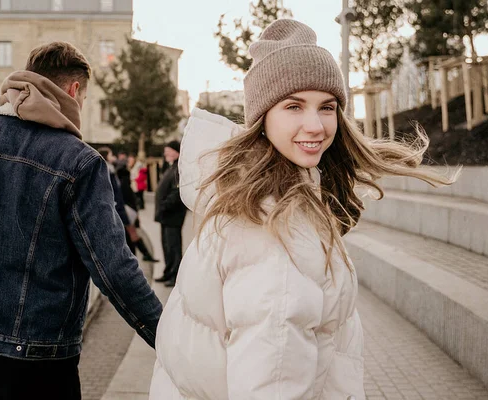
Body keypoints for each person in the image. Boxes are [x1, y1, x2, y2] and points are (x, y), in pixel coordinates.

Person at [149, 19, 457, 400]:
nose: (315, 125)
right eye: (293, 106)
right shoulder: (276, 227)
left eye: (326, 107)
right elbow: (273, 380)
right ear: (262, 118)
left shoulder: (248, 197)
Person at [0, 41, 162, 400]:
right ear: (74, 91)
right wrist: (166, 336)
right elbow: (114, 268)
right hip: (40, 356)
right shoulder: (79, 162)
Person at [154, 141, 187, 287]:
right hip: (165, 215)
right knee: (166, 245)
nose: (166, 153)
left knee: (173, 247)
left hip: (172, 215)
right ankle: (168, 272)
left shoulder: (179, 168)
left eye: (168, 150)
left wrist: (163, 206)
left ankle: (175, 276)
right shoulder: (171, 167)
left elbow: (176, 193)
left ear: (176, 151)